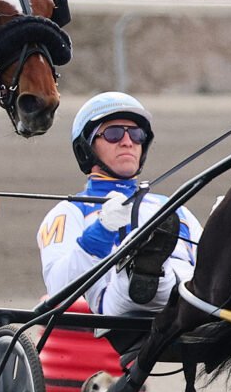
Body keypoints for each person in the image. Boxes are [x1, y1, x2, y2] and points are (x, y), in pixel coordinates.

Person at [36, 92, 198, 316]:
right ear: (86, 148)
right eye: (113, 134)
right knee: (136, 281)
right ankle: (146, 266)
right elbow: (58, 287)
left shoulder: (174, 207)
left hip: (194, 300)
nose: (127, 141)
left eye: (136, 134)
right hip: (120, 306)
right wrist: (101, 232)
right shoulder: (69, 212)